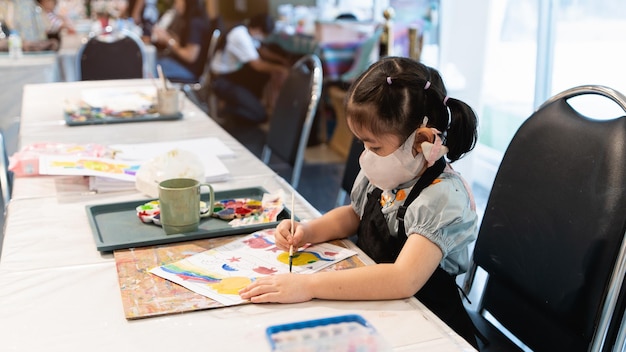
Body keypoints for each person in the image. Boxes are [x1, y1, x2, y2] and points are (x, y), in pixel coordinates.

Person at [239, 56, 480, 348]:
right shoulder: (391, 170)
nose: (365, 155)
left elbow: (403, 279)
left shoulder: (441, 198)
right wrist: (309, 231)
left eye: (374, 145)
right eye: (362, 143)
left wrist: (308, 285)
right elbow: (356, 214)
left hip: (429, 322)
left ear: (421, 139)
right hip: (381, 306)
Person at [210, 13, 289, 123]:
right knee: (260, 115)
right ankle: (226, 109)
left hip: (234, 75)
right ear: (258, 29)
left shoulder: (247, 30)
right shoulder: (240, 36)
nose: (263, 38)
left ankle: (251, 103)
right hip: (222, 80)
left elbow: (261, 50)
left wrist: (282, 60)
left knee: (263, 75)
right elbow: (258, 65)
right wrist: (281, 69)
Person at [151, 0, 220, 83]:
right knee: (152, 60)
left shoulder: (195, 23)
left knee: (149, 66)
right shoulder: (190, 19)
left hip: (188, 70)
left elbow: (190, 56)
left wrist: (169, 40)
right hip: (178, 63)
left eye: (178, 2)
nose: (176, 6)